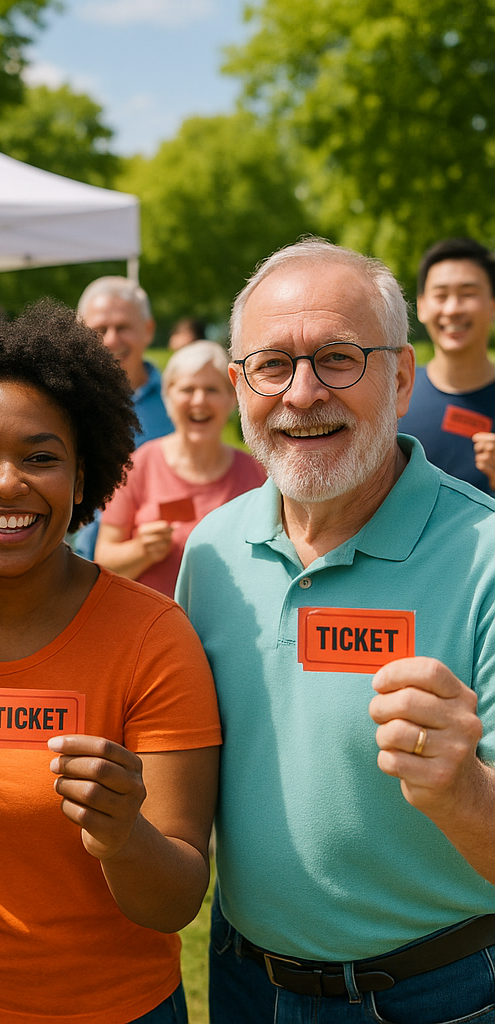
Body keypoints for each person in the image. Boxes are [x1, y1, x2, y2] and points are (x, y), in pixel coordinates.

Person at [176, 239, 495, 1023]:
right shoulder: (212, 551)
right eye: (273, 365)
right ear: (237, 385)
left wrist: (461, 790)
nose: (303, 393)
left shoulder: (487, 554)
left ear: (401, 376)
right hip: (247, 981)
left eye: (339, 358)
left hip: (439, 992)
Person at [0, 298, 221, 1024]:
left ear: (84, 473)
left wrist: (124, 835)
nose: (6, 485)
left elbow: (177, 901)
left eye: (41, 458)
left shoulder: (154, 638)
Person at [95, 340, 264, 595]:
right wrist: (141, 550)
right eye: (187, 389)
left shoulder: (257, 474)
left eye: (212, 389)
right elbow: (102, 562)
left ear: (233, 399)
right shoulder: (139, 465)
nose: (199, 401)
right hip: (153, 627)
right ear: (167, 397)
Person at [74, 276, 173, 560]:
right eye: (100, 329)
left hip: (158, 569)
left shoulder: (179, 405)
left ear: (149, 329)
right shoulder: (64, 405)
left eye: (123, 327)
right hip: (72, 569)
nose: (111, 339)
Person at [400, 237, 495, 493]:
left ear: (492, 305)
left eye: (468, 294)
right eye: (441, 295)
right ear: (421, 306)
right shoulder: (393, 399)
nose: (452, 309)